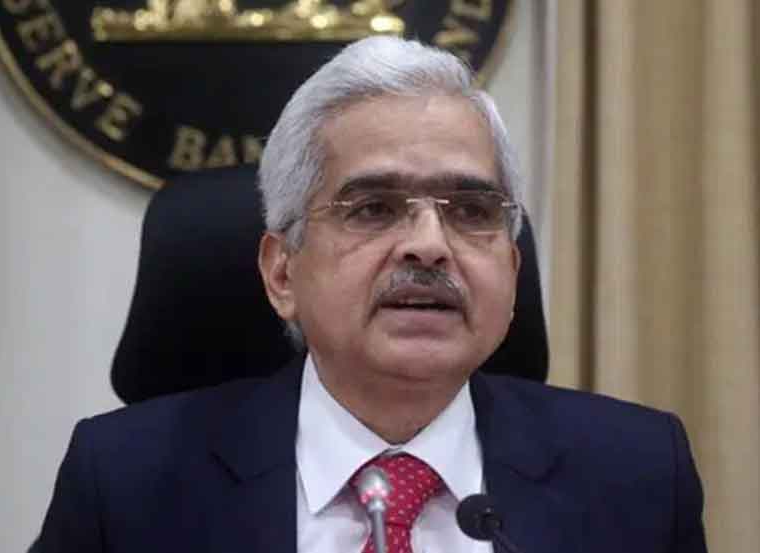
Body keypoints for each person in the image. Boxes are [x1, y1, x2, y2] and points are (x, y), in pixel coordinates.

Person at [37, 36, 707, 552]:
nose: (430, 245)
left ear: (511, 266)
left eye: (471, 211)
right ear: (281, 273)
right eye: (374, 208)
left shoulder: (639, 475)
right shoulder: (123, 485)